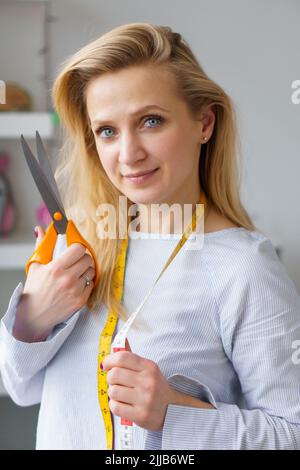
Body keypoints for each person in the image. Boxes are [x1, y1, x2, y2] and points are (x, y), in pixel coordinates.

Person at [1, 22, 300, 450]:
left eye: (151, 121)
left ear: (205, 123)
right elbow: (23, 389)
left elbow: (291, 435)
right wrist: (31, 319)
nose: (128, 154)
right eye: (107, 131)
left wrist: (174, 411)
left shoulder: (243, 267)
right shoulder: (83, 246)